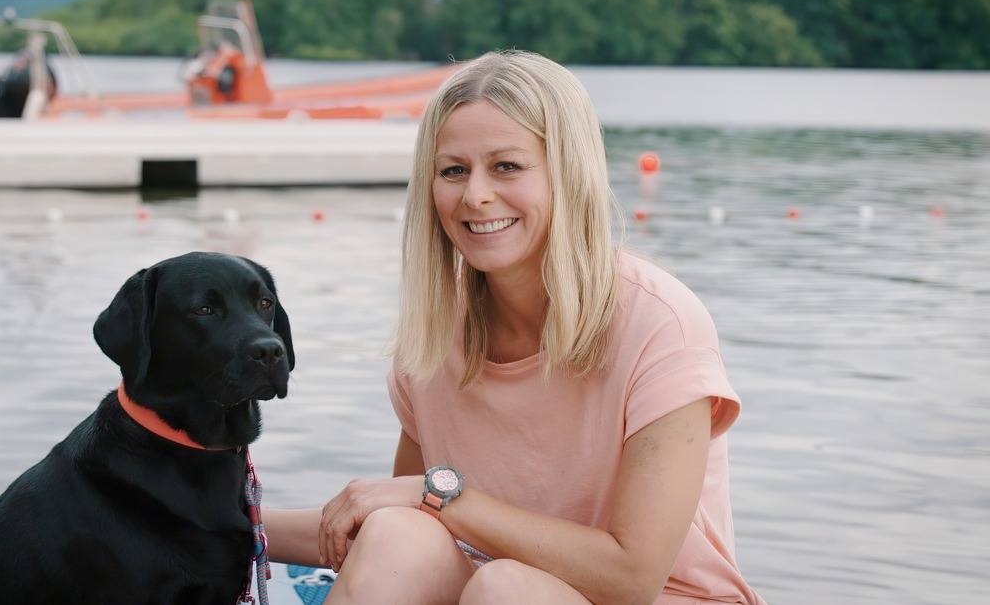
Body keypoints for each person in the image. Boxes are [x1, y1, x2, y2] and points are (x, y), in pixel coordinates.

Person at [265, 49, 765, 604]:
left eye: (506, 166)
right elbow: (406, 516)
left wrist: (445, 498)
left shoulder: (660, 324)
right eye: (453, 170)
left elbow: (631, 578)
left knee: (505, 587)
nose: (475, 195)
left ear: (567, 173)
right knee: (396, 534)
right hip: (494, 586)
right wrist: (221, 519)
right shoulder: (435, 334)